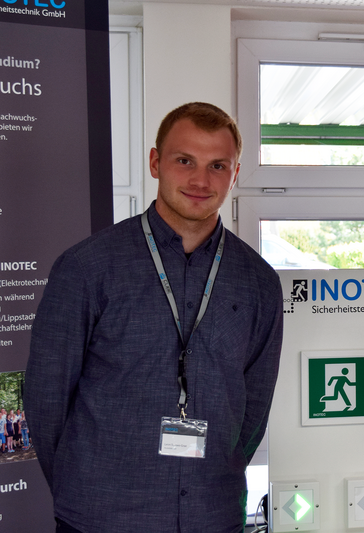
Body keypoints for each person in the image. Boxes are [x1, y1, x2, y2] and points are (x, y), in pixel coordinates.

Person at [25, 102, 285, 533]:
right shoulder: (86, 268)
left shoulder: (258, 282)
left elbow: (254, 408)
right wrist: (83, 487)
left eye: (217, 166)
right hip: (101, 516)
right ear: (155, 163)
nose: (200, 180)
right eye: (185, 161)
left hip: (212, 515)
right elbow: (46, 401)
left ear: (235, 174)